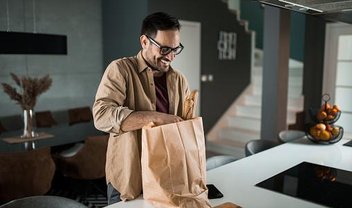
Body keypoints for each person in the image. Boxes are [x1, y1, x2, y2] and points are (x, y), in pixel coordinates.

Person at [92, 12, 190, 204]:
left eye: (175, 49)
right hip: (130, 178)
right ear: (144, 42)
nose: (170, 56)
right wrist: (156, 118)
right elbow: (101, 116)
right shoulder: (120, 69)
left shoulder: (179, 80)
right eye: (164, 49)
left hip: (167, 177)